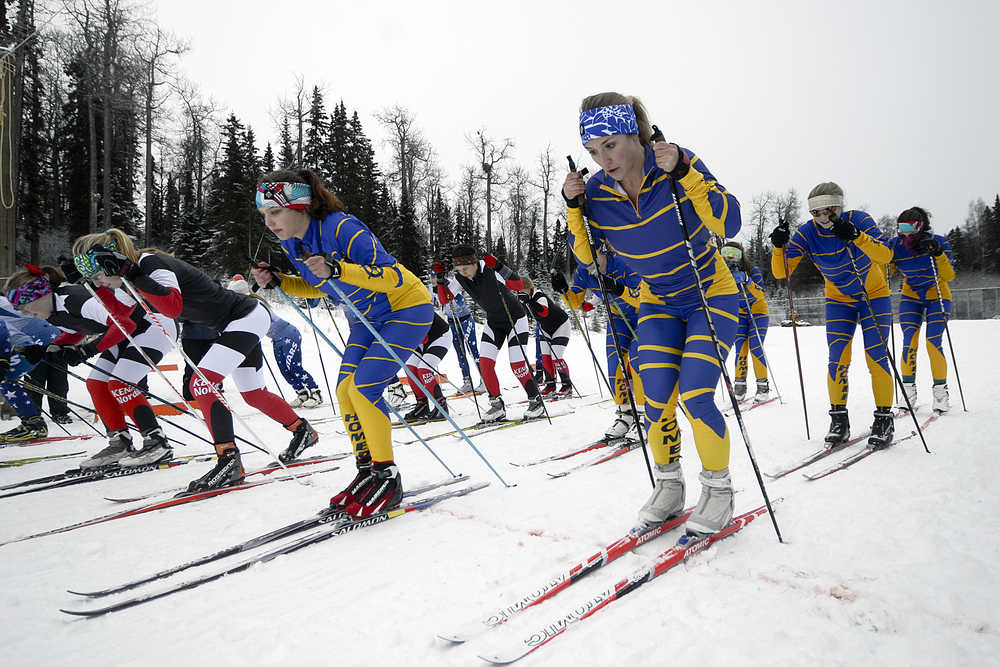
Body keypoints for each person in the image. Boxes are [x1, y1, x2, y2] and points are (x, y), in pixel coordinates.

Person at [563, 92, 741, 536]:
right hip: (658, 302)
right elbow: (586, 258)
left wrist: (684, 170)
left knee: (695, 394)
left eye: (610, 146)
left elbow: (729, 223)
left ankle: (718, 491)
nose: (603, 160)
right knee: (655, 399)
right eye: (592, 152)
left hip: (709, 295)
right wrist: (572, 208)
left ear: (636, 136)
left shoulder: (677, 166)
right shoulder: (599, 193)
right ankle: (669, 487)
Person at [72, 228, 318, 489]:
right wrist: (90, 287)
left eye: (99, 276)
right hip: (232, 322)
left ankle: (229, 461)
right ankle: (303, 432)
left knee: (202, 384)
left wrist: (131, 273)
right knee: (253, 393)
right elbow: (120, 314)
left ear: (113, 262)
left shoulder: (149, 263)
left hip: (245, 316)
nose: (100, 283)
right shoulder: (129, 279)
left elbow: (172, 306)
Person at [250, 169, 432, 517]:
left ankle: (387, 476)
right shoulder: (293, 242)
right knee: (345, 390)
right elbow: (319, 286)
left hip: (406, 306)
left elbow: (392, 276)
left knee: (364, 388)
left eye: (275, 211)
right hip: (367, 316)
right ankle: (367, 471)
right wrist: (279, 281)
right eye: (264, 215)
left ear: (300, 205)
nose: (270, 221)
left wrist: (338, 269)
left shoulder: (342, 228)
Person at [8, 262, 181, 468]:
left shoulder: (74, 299)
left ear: (42, 294)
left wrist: (86, 350)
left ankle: (157, 442)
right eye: (19, 308)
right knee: (96, 383)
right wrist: (49, 348)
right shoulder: (52, 310)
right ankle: (120, 442)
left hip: (152, 325)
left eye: (25, 304)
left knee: (120, 384)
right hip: (125, 334)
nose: (25, 312)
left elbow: (124, 323)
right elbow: (78, 329)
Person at [770, 182, 894, 447]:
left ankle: (884, 418)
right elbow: (782, 273)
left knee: (877, 358)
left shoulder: (858, 219)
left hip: (874, 297)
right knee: (837, 360)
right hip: (838, 300)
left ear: (840, 206)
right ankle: (839, 419)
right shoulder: (807, 234)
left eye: (829, 210)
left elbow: (885, 255)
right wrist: (778, 247)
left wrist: (856, 236)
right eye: (816, 213)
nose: (823, 218)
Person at [433, 246, 545, 423]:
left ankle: (535, 401)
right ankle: (496, 405)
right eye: (459, 270)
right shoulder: (459, 278)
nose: (464, 273)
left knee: (517, 364)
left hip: (515, 319)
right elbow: (445, 299)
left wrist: (499, 266)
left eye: (466, 268)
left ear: (474, 262)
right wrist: (440, 280)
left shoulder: (489, 268)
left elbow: (517, 285)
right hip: (494, 322)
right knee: (485, 363)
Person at [556, 244, 645, 438]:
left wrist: (618, 288)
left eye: (592, 262)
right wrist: (563, 290)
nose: (588, 268)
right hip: (618, 318)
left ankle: (646, 416)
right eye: (583, 263)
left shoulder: (624, 263)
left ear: (603, 253)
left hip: (643, 316)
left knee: (638, 361)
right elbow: (576, 302)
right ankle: (625, 415)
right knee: (615, 364)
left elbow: (641, 297)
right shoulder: (584, 271)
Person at [886, 206, 956, 413]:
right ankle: (908, 392)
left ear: (921, 226)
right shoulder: (895, 245)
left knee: (933, 342)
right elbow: (886, 272)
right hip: (911, 296)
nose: (905, 233)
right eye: (901, 228)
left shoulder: (937, 241)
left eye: (910, 228)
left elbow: (949, 275)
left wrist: (939, 253)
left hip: (938, 295)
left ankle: (941, 393)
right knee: (909, 341)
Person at [229, 276, 323, 409]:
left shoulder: (254, 303)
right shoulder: (246, 304)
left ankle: (316, 393)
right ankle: (302, 393)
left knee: (294, 367)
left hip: (289, 335)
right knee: (284, 369)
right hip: (277, 339)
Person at [0, 277, 63, 444]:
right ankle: (33, 424)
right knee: (6, 377)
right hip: (38, 334)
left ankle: (34, 426)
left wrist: (27, 347)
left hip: (38, 336)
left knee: (6, 377)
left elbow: (9, 331)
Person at [720, 241, 771, 402]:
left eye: (734, 255)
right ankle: (740, 386)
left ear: (741, 257)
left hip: (757, 312)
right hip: (739, 313)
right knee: (740, 350)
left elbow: (761, 294)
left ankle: (763, 386)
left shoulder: (752, 271)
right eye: (726, 255)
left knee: (756, 348)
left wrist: (747, 281)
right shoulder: (722, 274)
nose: (730, 259)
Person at [516, 277, 573, 396]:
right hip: (545, 328)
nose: (521, 293)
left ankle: (567, 385)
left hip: (560, 325)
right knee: (545, 356)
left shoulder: (539, 296)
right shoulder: (523, 299)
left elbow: (543, 312)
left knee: (556, 355)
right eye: (519, 291)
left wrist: (529, 302)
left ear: (530, 289)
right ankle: (550, 385)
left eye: (523, 290)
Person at [428, 275, 482, 395]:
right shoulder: (431, 288)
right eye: (430, 278)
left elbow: (460, 301)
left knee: (472, 350)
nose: (431, 281)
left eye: (433, 277)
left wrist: (449, 295)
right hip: (452, 322)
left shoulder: (450, 284)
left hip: (464, 320)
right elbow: (431, 302)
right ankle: (467, 380)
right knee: (460, 352)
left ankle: (484, 379)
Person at [400, 312, 453, 423]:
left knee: (424, 370)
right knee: (410, 369)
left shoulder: (414, 306)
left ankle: (441, 405)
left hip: (439, 337)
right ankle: (422, 405)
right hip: (420, 340)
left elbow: (421, 336)